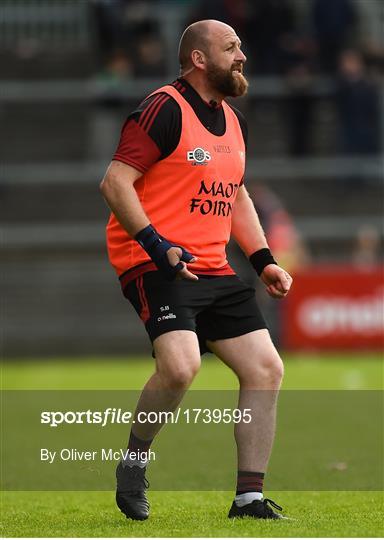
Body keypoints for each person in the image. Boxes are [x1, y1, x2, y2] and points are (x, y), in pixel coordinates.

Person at [100, 19, 293, 521]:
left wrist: (263, 259)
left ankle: (249, 498)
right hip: (154, 260)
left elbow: (237, 195)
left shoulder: (234, 120)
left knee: (266, 367)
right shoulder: (163, 107)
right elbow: (115, 183)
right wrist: (156, 243)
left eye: (242, 46)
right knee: (182, 366)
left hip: (211, 266)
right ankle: (134, 462)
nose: (242, 55)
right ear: (200, 59)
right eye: (231, 47)